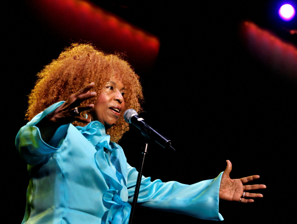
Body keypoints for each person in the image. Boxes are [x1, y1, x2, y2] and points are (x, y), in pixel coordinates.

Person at [15, 43, 266, 224]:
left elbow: (155, 191)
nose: (120, 98)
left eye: (123, 92)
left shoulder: (114, 156)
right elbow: (29, 145)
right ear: (85, 90)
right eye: (110, 88)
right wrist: (51, 122)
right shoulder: (60, 131)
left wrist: (211, 190)